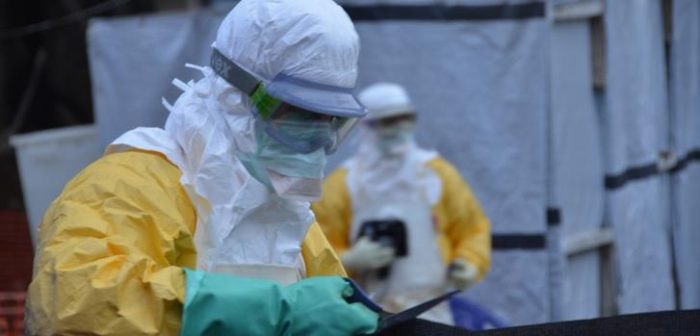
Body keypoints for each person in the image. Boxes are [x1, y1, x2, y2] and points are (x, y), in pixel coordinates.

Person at [25, 1, 379, 335]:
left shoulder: (291, 219)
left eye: (331, 120)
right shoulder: (126, 187)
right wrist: (274, 311)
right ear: (233, 96)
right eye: (300, 114)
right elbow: (77, 304)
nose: (318, 138)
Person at [312, 82, 491, 325]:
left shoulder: (438, 176)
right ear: (367, 127)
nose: (399, 128)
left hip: (432, 308)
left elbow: (472, 229)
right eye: (389, 121)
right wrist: (348, 260)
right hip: (365, 312)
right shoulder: (342, 186)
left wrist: (468, 264)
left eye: (406, 119)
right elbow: (316, 251)